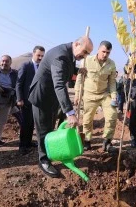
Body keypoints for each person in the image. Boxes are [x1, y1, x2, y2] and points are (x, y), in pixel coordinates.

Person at [28, 36, 93, 178]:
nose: (85, 56)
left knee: (50, 129)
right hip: (42, 97)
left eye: (88, 53)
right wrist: (70, 112)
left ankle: (53, 153)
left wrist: (77, 71)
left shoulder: (69, 54)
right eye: (85, 51)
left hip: (52, 99)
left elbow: (66, 69)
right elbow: (58, 84)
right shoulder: (60, 56)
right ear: (76, 44)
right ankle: (44, 160)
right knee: (43, 132)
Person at [74, 41, 117, 152]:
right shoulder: (86, 61)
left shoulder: (111, 64)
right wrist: (77, 94)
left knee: (112, 115)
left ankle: (107, 142)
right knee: (87, 120)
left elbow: (112, 82)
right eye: (103, 51)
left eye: (108, 52)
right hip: (89, 94)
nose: (105, 54)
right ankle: (87, 141)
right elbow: (79, 79)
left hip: (103, 94)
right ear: (98, 50)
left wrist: (114, 96)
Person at [15, 45, 45, 155]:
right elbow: (19, 83)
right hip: (26, 101)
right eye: (38, 55)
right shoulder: (26, 65)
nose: (40, 58)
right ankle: (22, 146)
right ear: (33, 54)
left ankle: (28, 142)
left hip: (37, 101)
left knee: (32, 123)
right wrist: (19, 98)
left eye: (42, 56)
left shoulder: (42, 67)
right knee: (25, 124)